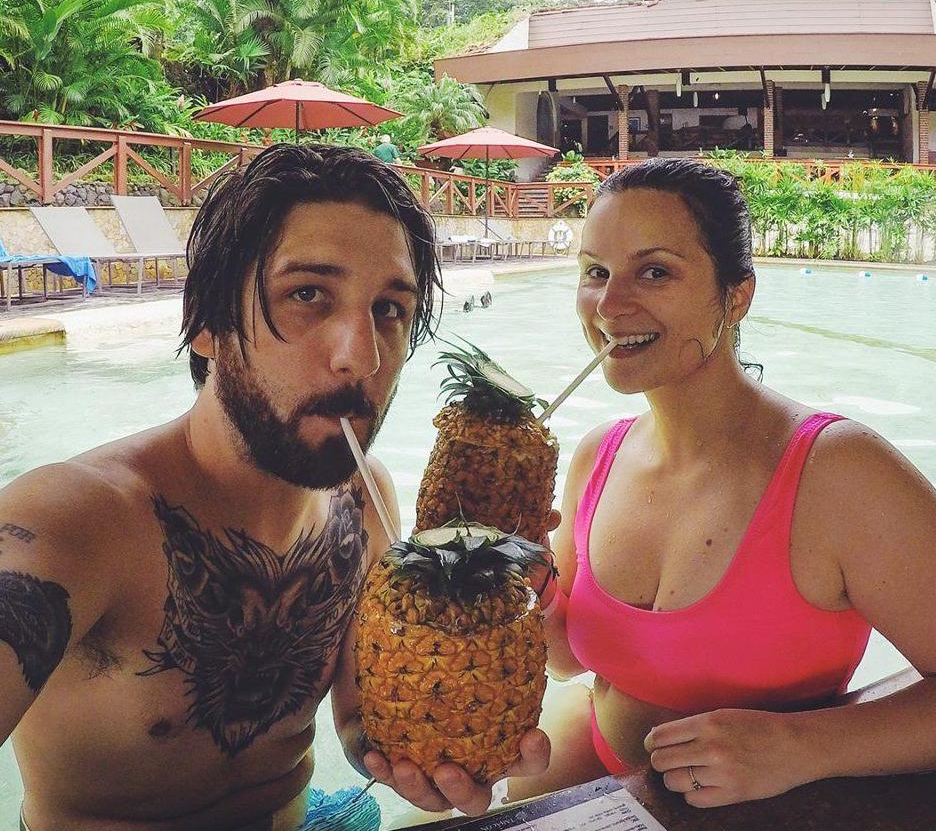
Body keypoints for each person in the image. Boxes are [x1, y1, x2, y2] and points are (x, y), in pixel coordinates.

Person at [0, 144, 548, 831]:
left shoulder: (363, 499)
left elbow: (357, 713)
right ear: (206, 323)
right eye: (308, 295)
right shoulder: (70, 522)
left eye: (389, 309)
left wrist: (426, 747)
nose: (361, 356)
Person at [510, 158, 936, 807]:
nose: (610, 304)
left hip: (770, 812)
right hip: (595, 772)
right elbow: (570, 657)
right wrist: (517, 582)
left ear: (736, 295)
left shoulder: (837, 472)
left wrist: (805, 746)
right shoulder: (597, 455)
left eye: (654, 271)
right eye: (596, 272)